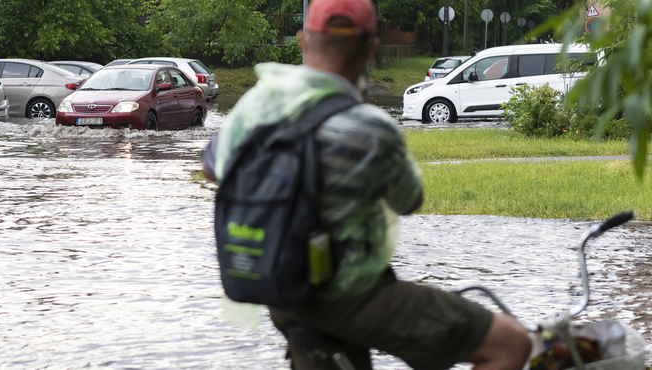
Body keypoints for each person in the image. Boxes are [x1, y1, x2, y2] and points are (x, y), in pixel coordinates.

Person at [202, 0, 532, 368]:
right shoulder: (370, 128)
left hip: (272, 285)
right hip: (345, 295)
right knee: (510, 344)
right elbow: (410, 200)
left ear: (303, 41)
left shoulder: (255, 106)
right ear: (371, 49)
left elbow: (213, 169)